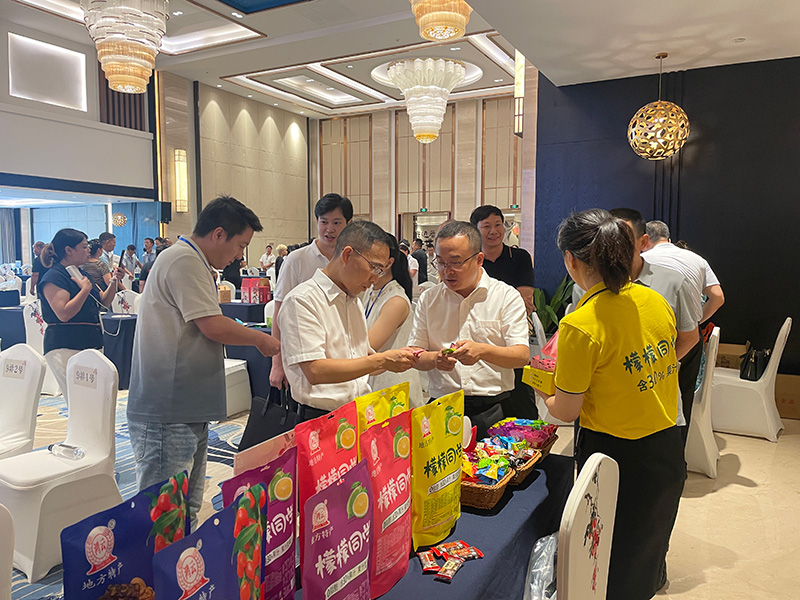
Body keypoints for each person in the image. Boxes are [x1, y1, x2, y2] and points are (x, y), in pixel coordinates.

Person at [540, 209, 684, 600]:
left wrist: (542, 388)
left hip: (614, 457)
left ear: (570, 260)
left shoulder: (580, 324)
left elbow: (566, 410)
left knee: (609, 560)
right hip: (666, 446)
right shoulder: (654, 301)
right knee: (647, 546)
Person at [127, 196, 281, 525]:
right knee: (164, 518)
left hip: (184, 408)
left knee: (185, 511)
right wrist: (260, 339)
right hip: (168, 410)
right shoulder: (183, 260)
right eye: (241, 245)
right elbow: (212, 325)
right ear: (218, 234)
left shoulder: (190, 259)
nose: (239, 256)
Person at [278, 221, 418, 420]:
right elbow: (315, 371)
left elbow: (361, 357)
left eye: (381, 271)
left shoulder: (353, 301)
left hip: (357, 411)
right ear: (347, 255)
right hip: (320, 418)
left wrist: (399, 359)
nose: (375, 279)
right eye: (374, 268)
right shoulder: (302, 300)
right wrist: (382, 360)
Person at [408, 221, 530, 438]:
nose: (447, 271)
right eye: (441, 263)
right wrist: (435, 359)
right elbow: (414, 354)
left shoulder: (505, 296)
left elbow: (521, 356)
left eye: (456, 262)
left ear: (479, 259)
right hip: (442, 407)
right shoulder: (429, 299)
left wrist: (482, 351)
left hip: (494, 408)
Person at [643, 219, 725, 436]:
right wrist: (695, 322)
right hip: (690, 339)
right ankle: (679, 449)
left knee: (650, 396)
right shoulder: (697, 259)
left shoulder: (642, 260)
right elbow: (717, 297)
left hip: (653, 339)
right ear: (668, 239)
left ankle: (653, 445)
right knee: (684, 396)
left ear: (644, 241)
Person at [270, 193, 353, 391]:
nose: (329, 229)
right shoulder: (296, 260)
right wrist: (277, 364)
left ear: (348, 224)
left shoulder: (352, 259)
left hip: (343, 359)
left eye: (336, 223)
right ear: (316, 222)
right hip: (304, 358)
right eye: (324, 222)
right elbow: (279, 312)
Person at [38, 228, 123, 405]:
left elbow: (104, 301)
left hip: (89, 342)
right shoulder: (54, 276)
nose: (88, 250)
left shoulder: (81, 273)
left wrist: (114, 281)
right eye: (84, 247)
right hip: (65, 345)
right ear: (68, 250)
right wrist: (84, 290)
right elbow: (63, 313)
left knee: (95, 402)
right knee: (80, 403)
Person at [470, 205, 538, 419]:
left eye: (498, 225)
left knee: (520, 401)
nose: (494, 231)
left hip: (512, 336)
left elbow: (524, 301)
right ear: (475, 230)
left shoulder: (519, 257)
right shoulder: (470, 260)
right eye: (486, 226)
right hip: (479, 336)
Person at [363, 234, 424, 407]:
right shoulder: (371, 290)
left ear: (387, 262)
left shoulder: (395, 300)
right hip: (375, 381)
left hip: (393, 388)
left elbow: (366, 348)